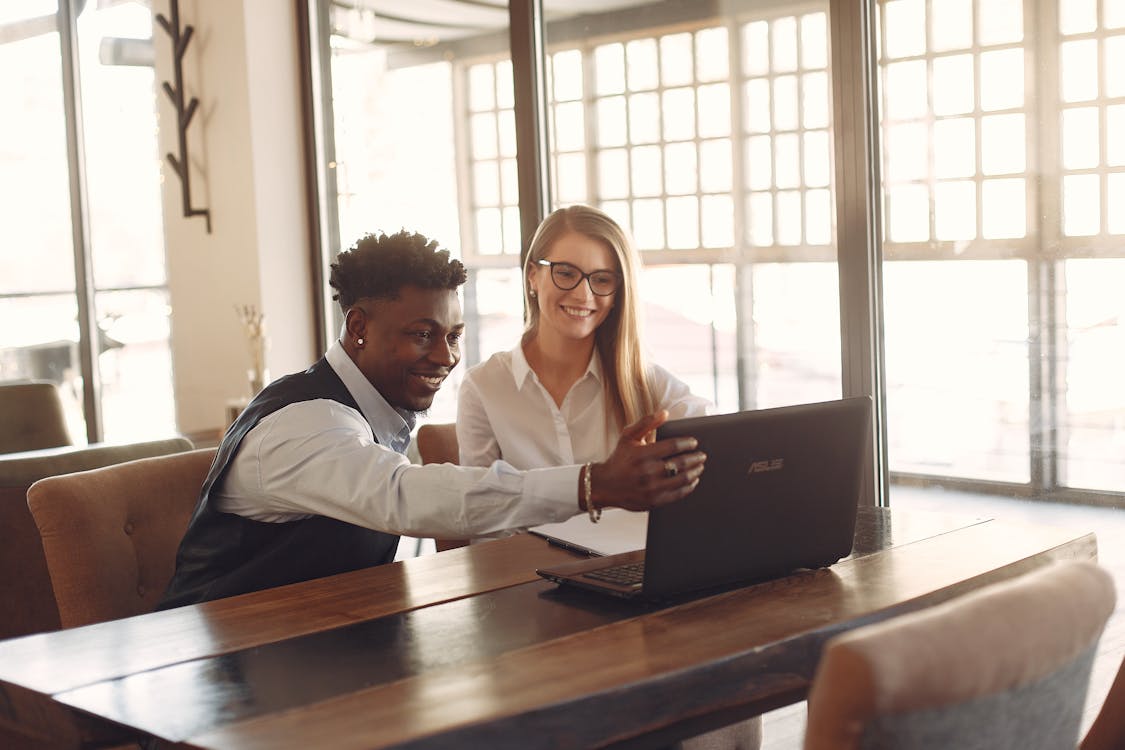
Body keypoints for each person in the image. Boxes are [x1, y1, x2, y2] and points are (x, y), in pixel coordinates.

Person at [158, 229, 705, 609]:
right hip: (213, 668)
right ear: (358, 327)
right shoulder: (304, 424)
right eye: (422, 334)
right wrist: (594, 482)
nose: (444, 357)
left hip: (314, 646)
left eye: (453, 336)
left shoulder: (370, 415)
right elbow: (407, 496)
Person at [456, 205, 762, 750]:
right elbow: (480, 514)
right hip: (533, 594)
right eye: (566, 272)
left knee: (720, 659)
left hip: (630, 583)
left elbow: (721, 439)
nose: (584, 294)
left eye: (603, 279)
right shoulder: (485, 387)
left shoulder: (639, 379)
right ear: (533, 275)